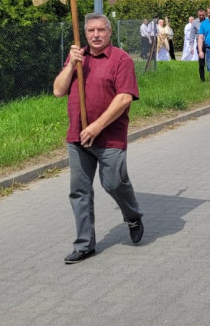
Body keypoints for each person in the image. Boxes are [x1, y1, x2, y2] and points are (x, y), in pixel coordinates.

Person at [53, 13, 144, 264]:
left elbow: (124, 97)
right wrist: (71, 65)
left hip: (109, 136)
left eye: (100, 30)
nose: (95, 35)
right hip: (77, 137)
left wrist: (96, 126)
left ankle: (132, 214)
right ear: (85, 33)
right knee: (79, 191)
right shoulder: (78, 57)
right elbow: (58, 91)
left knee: (114, 183)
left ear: (109, 32)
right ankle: (84, 244)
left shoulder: (120, 59)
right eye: (91, 30)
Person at [194, 9, 206, 82]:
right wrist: (191, 46)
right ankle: (202, 78)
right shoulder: (195, 22)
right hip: (200, 43)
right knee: (201, 62)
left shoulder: (208, 21)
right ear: (197, 15)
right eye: (200, 15)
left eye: (203, 15)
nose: (201, 16)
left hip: (208, 43)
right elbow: (192, 34)